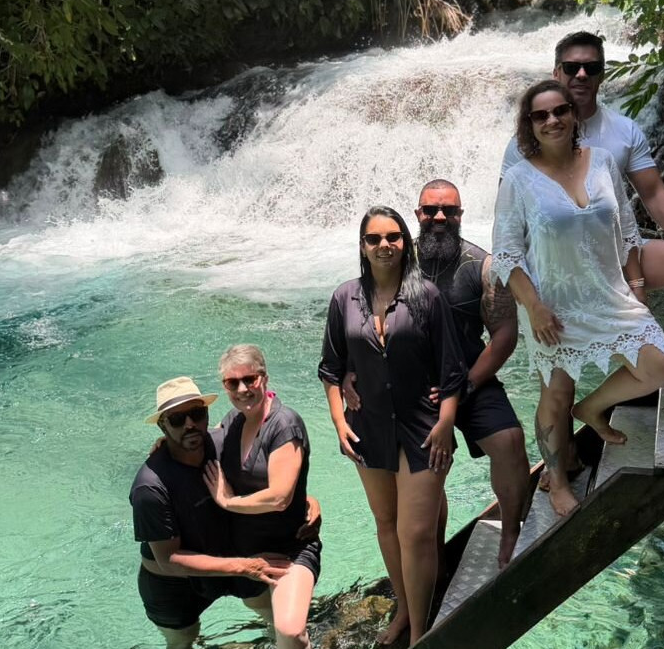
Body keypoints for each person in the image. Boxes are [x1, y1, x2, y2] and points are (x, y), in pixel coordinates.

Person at [500, 31, 664, 406]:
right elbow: (507, 217)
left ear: (603, 73)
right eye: (572, 67)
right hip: (558, 264)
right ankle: (569, 433)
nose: (581, 74)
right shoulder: (528, 140)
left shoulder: (623, 130)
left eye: (591, 67)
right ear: (557, 72)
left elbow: (653, 192)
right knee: (557, 388)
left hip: (615, 250)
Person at [492, 80, 664, 516]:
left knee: (662, 365)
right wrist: (534, 307)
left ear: (574, 115)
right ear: (529, 125)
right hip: (551, 305)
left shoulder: (603, 162)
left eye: (560, 111)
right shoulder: (518, 180)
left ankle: (591, 408)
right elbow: (506, 254)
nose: (552, 120)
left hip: (609, 294)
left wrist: (637, 288)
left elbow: (627, 229)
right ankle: (556, 479)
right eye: (541, 115)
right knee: (554, 392)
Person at [343, 181, 529, 568]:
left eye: (449, 211)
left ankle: (512, 530)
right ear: (418, 215)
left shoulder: (482, 266)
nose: (439, 218)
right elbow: (358, 317)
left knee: (510, 441)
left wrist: (466, 385)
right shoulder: (393, 256)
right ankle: (434, 557)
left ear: (461, 215)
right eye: (430, 211)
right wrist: (348, 372)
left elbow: (504, 336)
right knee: (425, 473)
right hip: (409, 387)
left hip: (470, 377)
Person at [319, 205, 466, 645]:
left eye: (393, 237)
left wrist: (446, 423)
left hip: (424, 430)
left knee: (415, 533)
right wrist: (339, 421)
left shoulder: (427, 297)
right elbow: (331, 369)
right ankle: (404, 610)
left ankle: (419, 632)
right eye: (374, 239)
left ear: (406, 242)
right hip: (367, 428)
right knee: (386, 523)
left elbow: (452, 371)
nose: (384, 245)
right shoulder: (344, 298)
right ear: (363, 247)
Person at [130, 376, 291, 649]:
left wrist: (306, 500)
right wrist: (245, 567)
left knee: (276, 618)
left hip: (233, 556)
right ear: (162, 426)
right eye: (177, 419)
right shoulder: (150, 487)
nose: (189, 424)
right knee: (182, 641)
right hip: (175, 584)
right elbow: (168, 559)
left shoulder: (226, 443)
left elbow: (269, 417)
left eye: (196, 414)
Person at [203, 344, 320, 649]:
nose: (242, 389)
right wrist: (166, 443)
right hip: (248, 554)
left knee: (291, 632)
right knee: (275, 627)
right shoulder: (233, 420)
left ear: (264, 378)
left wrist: (229, 502)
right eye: (232, 382)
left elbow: (280, 497)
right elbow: (199, 446)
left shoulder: (284, 424)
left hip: (289, 549)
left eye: (250, 379)